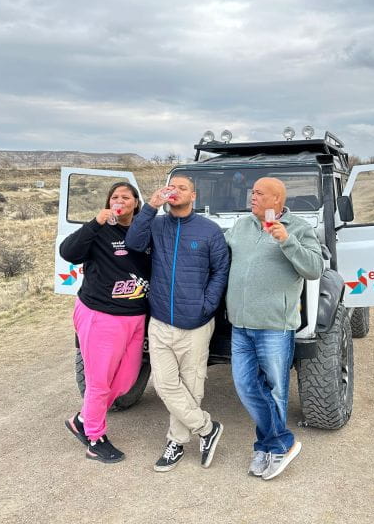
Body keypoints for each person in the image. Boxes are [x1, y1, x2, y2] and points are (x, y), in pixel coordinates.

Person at [125, 175, 230, 472]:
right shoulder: (157, 224)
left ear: (193, 195)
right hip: (159, 321)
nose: (177, 191)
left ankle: (176, 442)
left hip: (195, 324)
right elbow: (133, 243)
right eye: (173, 187)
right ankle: (207, 428)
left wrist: (206, 305)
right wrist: (150, 207)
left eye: (183, 188)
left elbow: (220, 270)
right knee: (165, 384)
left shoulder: (209, 230)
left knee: (192, 387)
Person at [225, 177, 322, 480]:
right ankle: (279, 442)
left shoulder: (299, 228)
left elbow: (314, 268)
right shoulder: (241, 226)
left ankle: (268, 448)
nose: (251, 197)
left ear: (277, 200)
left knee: (276, 390)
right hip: (240, 325)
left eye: (258, 193)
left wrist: (286, 241)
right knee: (245, 386)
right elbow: (218, 252)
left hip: (274, 327)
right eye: (251, 192)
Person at [59, 182, 150, 464]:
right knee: (99, 382)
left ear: (136, 202)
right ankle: (94, 438)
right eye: (114, 197)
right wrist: (95, 222)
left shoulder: (145, 232)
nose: (120, 200)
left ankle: (83, 419)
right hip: (101, 314)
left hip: (135, 315)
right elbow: (68, 253)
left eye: (126, 196)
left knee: (126, 379)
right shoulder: (99, 231)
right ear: (108, 203)